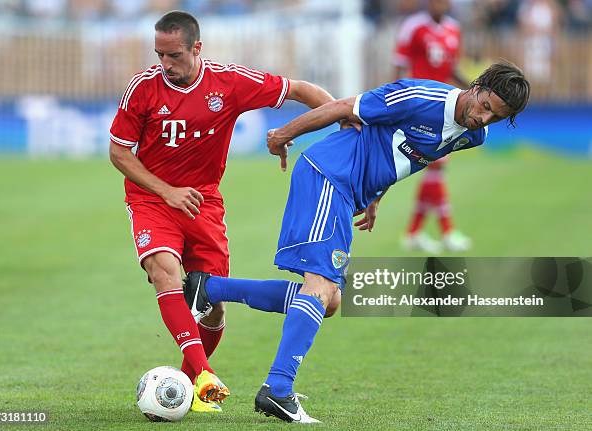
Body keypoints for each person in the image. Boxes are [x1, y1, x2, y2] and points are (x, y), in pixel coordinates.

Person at [184, 61, 530, 422]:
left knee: (330, 301)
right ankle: (278, 389)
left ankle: (210, 288)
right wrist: (283, 134)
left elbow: (408, 153)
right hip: (329, 174)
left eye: (495, 118)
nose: (482, 119)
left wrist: (376, 193)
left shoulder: (472, 136)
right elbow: (343, 108)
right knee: (319, 287)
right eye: (485, 107)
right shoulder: (420, 96)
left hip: (351, 191)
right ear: (476, 87)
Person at [109, 10, 337, 413]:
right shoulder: (143, 88)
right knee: (165, 270)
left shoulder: (229, 82)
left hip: (203, 202)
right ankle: (202, 373)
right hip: (152, 198)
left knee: (213, 307)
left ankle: (187, 386)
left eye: (174, 55)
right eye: (159, 54)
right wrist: (167, 191)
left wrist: (345, 131)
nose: (165, 64)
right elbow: (119, 152)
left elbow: (300, 89)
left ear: (197, 49)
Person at [394, 0, 473, 252]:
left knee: (433, 170)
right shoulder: (413, 27)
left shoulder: (454, 29)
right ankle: (447, 231)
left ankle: (413, 232)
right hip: (421, 107)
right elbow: (399, 66)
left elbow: (451, 67)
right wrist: (398, 103)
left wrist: (473, 89)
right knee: (435, 168)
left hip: (447, 108)